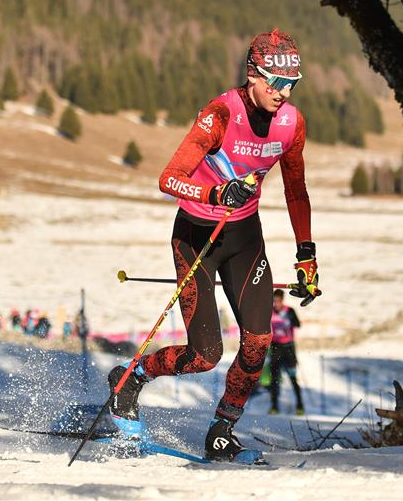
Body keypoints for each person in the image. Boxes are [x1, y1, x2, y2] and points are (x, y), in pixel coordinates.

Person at [106, 29, 320, 464]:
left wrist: (307, 255)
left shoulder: (291, 124)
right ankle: (131, 377)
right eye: (276, 82)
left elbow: (296, 191)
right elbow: (169, 178)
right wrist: (216, 194)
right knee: (205, 356)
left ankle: (222, 430)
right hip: (196, 237)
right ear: (253, 74)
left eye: (292, 84)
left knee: (258, 341)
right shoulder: (220, 113)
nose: (283, 92)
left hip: (244, 238)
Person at [268, 289, 305, 415]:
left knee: (293, 377)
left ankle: (300, 406)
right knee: (274, 378)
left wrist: (289, 320)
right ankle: (274, 406)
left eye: (278, 301)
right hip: (276, 347)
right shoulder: (270, 311)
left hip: (288, 347)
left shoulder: (289, 310)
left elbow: (298, 324)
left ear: (282, 300)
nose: (276, 304)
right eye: (274, 301)